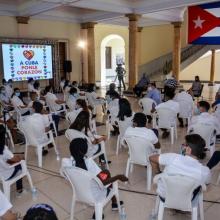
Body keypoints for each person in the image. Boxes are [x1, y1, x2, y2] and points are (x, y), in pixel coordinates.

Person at [62, 138, 128, 219]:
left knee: (106, 172)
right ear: (84, 151)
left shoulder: (66, 163)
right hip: (95, 195)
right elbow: (103, 182)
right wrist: (118, 177)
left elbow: (63, 174)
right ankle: (108, 206)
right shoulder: (89, 162)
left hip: (79, 193)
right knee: (106, 174)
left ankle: (112, 204)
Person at [149, 134, 211, 198]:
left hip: (164, 195)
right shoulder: (204, 171)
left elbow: (152, 158)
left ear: (188, 150)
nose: (182, 146)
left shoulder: (172, 157)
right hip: (187, 200)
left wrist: (158, 173)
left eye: (184, 145)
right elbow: (207, 183)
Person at [0, 124, 24, 194]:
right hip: (5, 175)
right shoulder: (3, 149)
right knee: (20, 164)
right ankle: (19, 189)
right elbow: (17, 160)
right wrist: (21, 157)